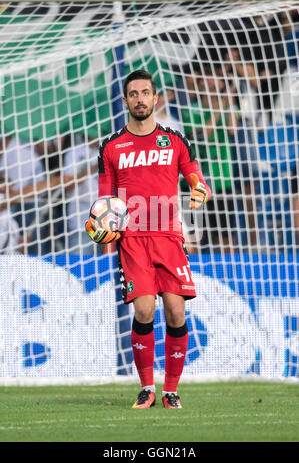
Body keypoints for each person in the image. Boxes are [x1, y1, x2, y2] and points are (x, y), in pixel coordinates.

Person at [85, 69, 211, 409]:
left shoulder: (176, 140)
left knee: (175, 311)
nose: (140, 98)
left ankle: (170, 390)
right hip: (133, 241)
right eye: (133, 93)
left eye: (145, 92)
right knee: (143, 310)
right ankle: (146, 388)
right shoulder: (111, 147)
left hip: (169, 238)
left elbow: (196, 179)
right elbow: (103, 201)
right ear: (125, 100)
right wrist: (101, 229)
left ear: (156, 98)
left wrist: (200, 189)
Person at [181, 64, 237, 251]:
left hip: (223, 179)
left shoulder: (228, 106)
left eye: (216, 78)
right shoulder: (191, 109)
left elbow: (232, 130)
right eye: (207, 77)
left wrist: (228, 104)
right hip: (197, 182)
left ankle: (231, 275)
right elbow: (204, 133)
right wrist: (221, 106)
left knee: (226, 235)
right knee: (196, 235)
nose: (212, 82)